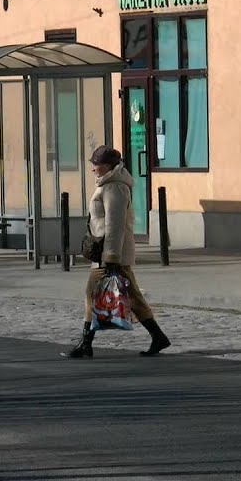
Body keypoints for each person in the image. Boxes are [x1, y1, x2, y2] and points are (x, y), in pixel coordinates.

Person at [63, 145, 171, 359]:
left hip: (112, 254)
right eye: (93, 163)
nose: (93, 167)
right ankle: (158, 337)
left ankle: (86, 343)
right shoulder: (107, 184)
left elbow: (115, 225)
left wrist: (111, 257)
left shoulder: (115, 188)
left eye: (97, 164)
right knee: (131, 297)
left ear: (109, 166)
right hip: (106, 253)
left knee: (92, 294)